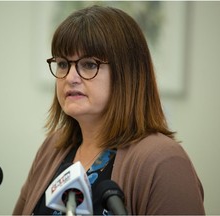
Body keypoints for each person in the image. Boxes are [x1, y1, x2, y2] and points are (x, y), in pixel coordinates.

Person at [13, 5, 205, 215]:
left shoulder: (164, 161)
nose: (70, 77)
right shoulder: (52, 147)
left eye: (88, 64)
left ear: (127, 74)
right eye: (62, 63)